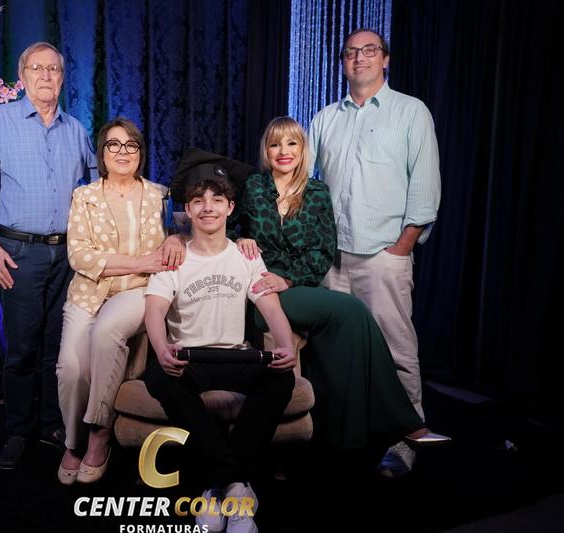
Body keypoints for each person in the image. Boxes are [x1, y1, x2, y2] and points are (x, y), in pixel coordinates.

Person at [235, 116, 430, 462]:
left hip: (295, 283)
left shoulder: (317, 192)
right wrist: (241, 238)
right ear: (266, 151)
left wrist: (289, 279)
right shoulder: (253, 187)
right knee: (350, 310)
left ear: (302, 150)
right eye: (275, 144)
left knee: (350, 319)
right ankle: (404, 421)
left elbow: (323, 250)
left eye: (291, 143)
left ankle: (348, 432)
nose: (283, 151)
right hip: (259, 287)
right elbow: (227, 226)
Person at [308, 28, 445, 474]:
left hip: (383, 255)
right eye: (351, 52)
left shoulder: (411, 112)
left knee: (395, 349)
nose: (360, 58)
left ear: (385, 59)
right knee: (334, 352)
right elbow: (304, 183)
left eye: (369, 50)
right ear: (342, 62)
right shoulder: (325, 118)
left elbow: (425, 184)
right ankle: (343, 433)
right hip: (331, 258)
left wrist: (403, 246)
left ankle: (406, 438)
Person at [143, 152, 297, 533]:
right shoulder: (174, 257)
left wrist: (286, 346)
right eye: (198, 200)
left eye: (216, 199)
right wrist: (161, 349)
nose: (207, 207)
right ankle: (234, 485)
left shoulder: (246, 255)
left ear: (230, 207)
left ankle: (219, 482)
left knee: (282, 377)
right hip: (189, 357)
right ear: (188, 210)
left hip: (234, 357)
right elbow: (154, 310)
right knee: (159, 377)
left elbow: (270, 306)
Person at [0, 42, 96, 469]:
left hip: (68, 255)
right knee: (22, 347)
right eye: (36, 68)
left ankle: (51, 424)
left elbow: (97, 185)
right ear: (22, 77)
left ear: (62, 77)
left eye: (53, 69)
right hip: (17, 252)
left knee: (58, 347)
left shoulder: (76, 130)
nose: (45, 76)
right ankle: (18, 430)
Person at [56, 117, 185, 485]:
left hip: (139, 291)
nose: (123, 152)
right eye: (114, 144)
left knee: (107, 332)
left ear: (140, 152)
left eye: (131, 145)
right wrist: (144, 260)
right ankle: (73, 441)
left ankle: (99, 434)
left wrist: (176, 238)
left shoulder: (161, 195)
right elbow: (79, 256)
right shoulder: (84, 196)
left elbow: (185, 231)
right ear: (102, 153)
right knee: (70, 369)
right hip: (89, 292)